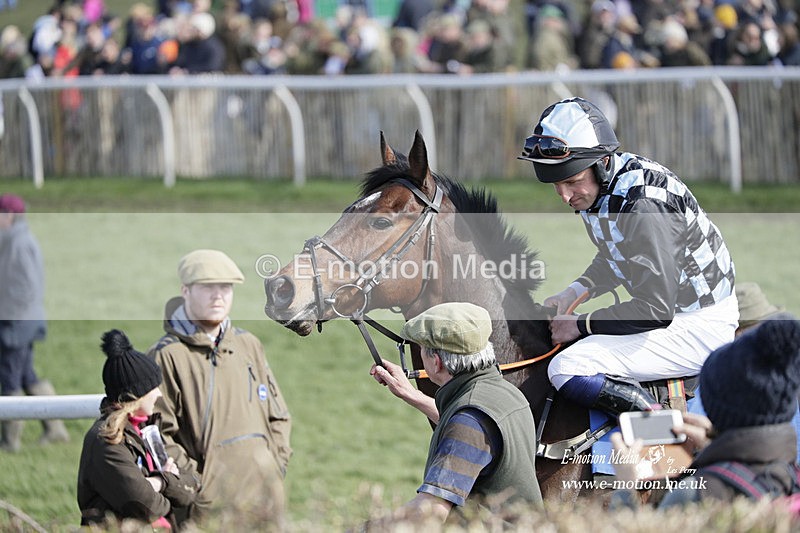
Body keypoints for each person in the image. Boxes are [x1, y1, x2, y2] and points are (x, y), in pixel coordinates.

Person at [518, 97, 738, 418]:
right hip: (675, 310)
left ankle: (662, 434)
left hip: (697, 323)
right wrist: (575, 292)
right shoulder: (606, 185)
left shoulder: (642, 205)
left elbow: (655, 309)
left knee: (567, 367)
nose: (564, 196)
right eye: (557, 185)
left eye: (571, 182)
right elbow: (618, 253)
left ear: (601, 163)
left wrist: (580, 325)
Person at [147, 249, 292, 525]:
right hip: (205, 510)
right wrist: (198, 485)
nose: (218, 295)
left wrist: (275, 467)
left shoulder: (248, 344)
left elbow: (279, 414)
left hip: (263, 501)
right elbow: (156, 435)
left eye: (225, 287)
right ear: (185, 290)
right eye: (207, 287)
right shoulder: (166, 355)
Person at [369, 302, 543, 524]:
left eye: (421, 348)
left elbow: (431, 511)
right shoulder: (506, 394)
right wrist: (411, 394)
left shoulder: (469, 422)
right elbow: (476, 437)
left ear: (436, 362)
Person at [611, 314, 800, 507]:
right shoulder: (790, 474)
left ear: (715, 405)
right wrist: (717, 446)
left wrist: (627, 489)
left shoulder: (697, 494)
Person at [77, 329, 198, 528]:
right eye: (153, 388)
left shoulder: (148, 428)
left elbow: (191, 486)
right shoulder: (106, 442)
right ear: (135, 396)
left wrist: (157, 483)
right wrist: (168, 480)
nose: (159, 394)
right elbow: (148, 507)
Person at [0, 194, 69, 453]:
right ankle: (56, 429)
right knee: (28, 376)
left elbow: (25, 289)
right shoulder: (15, 239)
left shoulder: (17, 243)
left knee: (10, 380)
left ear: (8, 215)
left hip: (15, 325)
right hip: (22, 322)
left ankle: (10, 442)